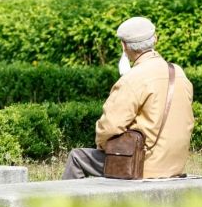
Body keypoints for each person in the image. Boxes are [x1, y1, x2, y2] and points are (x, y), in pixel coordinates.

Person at [62, 17, 194, 180]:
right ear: (156, 39)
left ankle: (63, 206)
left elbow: (108, 128)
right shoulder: (178, 72)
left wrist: (107, 147)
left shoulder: (132, 78)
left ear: (123, 46)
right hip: (175, 165)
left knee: (77, 157)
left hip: (143, 165)